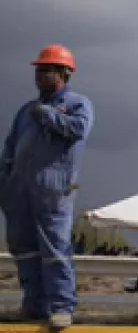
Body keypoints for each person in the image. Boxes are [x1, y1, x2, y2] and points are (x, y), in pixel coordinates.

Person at [0, 44, 94, 329]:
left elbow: (78, 130)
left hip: (53, 190)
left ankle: (61, 306)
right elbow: (10, 148)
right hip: (19, 190)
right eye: (38, 70)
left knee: (55, 247)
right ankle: (34, 305)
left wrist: (48, 115)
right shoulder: (25, 111)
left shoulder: (78, 104)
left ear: (63, 73)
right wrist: (4, 181)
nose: (39, 76)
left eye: (45, 70)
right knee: (24, 247)